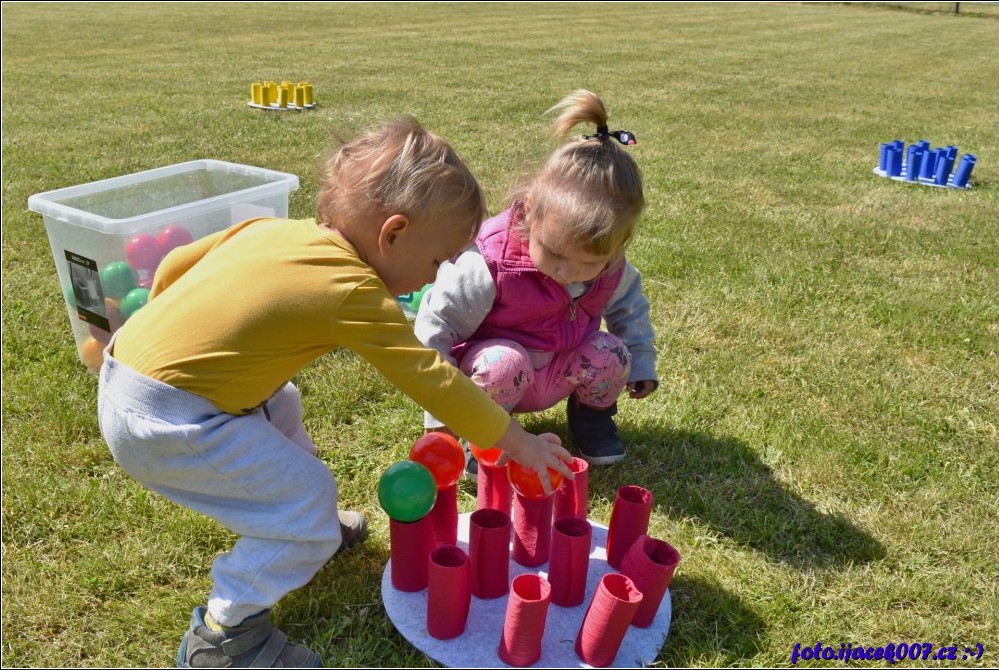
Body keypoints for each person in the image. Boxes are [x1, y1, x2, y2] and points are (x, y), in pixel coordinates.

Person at [97, 117, 574, 668]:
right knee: (307, 501)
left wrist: (158, 338)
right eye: (435, 261)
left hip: (130, 374)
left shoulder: (274, 230)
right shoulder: (353, 288)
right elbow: (434, 379)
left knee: (283, 400)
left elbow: (176, 265)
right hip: (167, 421)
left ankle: (306, 526)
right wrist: (518, 442)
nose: (433, 278)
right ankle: (225, 634)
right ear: (392, 234)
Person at [415, 90, 658, 476]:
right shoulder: (489, 262)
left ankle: (591, 419)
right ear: (530, 211)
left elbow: (630, 310)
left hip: (559, 368)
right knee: (503, 363)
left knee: (611, 353)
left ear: (619, 245)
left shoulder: (611, 266)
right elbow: (435, 326)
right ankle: (483, 434)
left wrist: (642, 360)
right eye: (555, 254)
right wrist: (442, 414)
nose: (569, 273)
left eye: (589, 263)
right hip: (493, 375)